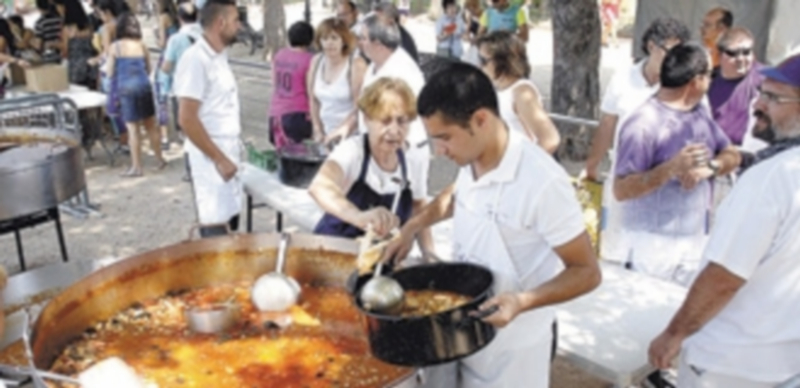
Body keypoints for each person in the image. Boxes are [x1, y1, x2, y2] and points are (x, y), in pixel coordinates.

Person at [383, 62, 600, 388]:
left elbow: (587, 272)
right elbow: (457, 196)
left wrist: (522, 301)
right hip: (461, 333)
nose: (440, 152)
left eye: (444, 138)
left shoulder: (542, 182)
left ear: (480, 120)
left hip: (514, 353)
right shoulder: (472, 157)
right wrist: (412, 227)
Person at [649, 53, 800, 388]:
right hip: (784, 362)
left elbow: (724, 277)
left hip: (731, 367)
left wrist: (674, 334)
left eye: (774, 97)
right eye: (761, 91)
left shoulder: (772, 178)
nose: (757, 104)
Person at [613, 43, 740, 286]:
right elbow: (621, 190)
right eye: (709, 75)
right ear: (696, 81)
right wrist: (671, 167)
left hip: (694, 245)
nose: (712, 81)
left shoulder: (699, 114)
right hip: (649, 248)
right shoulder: (642, 124)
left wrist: (710, 168)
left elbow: (732, 154)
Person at [584, 17, 690, 265]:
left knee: (653, 261)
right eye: (670, 51)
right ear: (652, 46)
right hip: (623, 182)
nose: (676, 59)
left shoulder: (685, 85)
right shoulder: (622, 79)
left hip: (663, 186)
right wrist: (592, 165)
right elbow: (607, 125)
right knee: (615, 254)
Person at [310, 78, 432, 250]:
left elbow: (418, 207)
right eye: (385, 120)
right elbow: (319, 187)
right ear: (367, 119)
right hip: (333, 252)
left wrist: (429, 255)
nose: (394, 130)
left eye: (402, 121)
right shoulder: (353, 151)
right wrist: (358, 216)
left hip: (382, 259)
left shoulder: (413, 158)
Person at [175, 0, 243, 237]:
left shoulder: (219, 55)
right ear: (220, 23)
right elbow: (186, 119)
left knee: (230, 225)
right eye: (236, 20)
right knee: (215, 232)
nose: (239, 26)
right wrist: (219, 158)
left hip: (227, 150)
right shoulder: (195, 59)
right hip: (209, 158)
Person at [476, 30, 559, 153]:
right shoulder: (498, 90)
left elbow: (549, 139)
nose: (479, 65)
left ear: (502, 61)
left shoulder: (521, 92)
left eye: (484, 61)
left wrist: (524, 168)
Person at [107, 12, 166, 177]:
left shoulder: (115, 47)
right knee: (151, 126)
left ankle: (137, 167)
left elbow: (110, 72)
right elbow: (149, 68)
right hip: (144, 86)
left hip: (126, 88)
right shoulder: (142, 45)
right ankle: (160, 159)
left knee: (133, 129)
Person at [357, 12, 427, 151]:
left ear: (378, 45)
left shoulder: (402, 71)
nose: (360, 43)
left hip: (402, 148)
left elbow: (401, 118)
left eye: (364, 38)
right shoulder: (374, 64)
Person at [307, 17, 367, 146]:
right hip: (324, 134)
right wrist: (317, 129)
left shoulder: (355, 65)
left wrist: (342, 129)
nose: (329, 43)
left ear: (344, 41)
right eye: (325, 38)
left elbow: (360, 106)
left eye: (334, 38)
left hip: (350, 136)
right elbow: (313, 99)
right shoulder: (316, 61)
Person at [708, 27, 765, 148]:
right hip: (716, 151)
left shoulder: (766, 79)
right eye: (732, 53)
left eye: (746, 52)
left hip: (751, 153)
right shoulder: (707, 81)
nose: (740, 58)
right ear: (719, 55)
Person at [268, 21, 314, 149]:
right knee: (299, 158)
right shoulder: (309, 59)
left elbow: (274, 82)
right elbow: (310, 90)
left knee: (283, 157)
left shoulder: (279, 55)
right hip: (298, 114)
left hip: (275, 113)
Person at [154, 0, 180, 150]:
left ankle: (164, 136)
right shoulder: (175, 16)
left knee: (161, 96)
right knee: (177, 97)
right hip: (177, 60)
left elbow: (163, 43)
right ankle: (181, 131)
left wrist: (157, 39)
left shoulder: (163, 18)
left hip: (166, 58)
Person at [61, 0, 98, 89]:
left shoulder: (67, 29)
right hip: (91, 62)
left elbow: (65, 50)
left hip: (76, 66)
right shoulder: (89, 25)